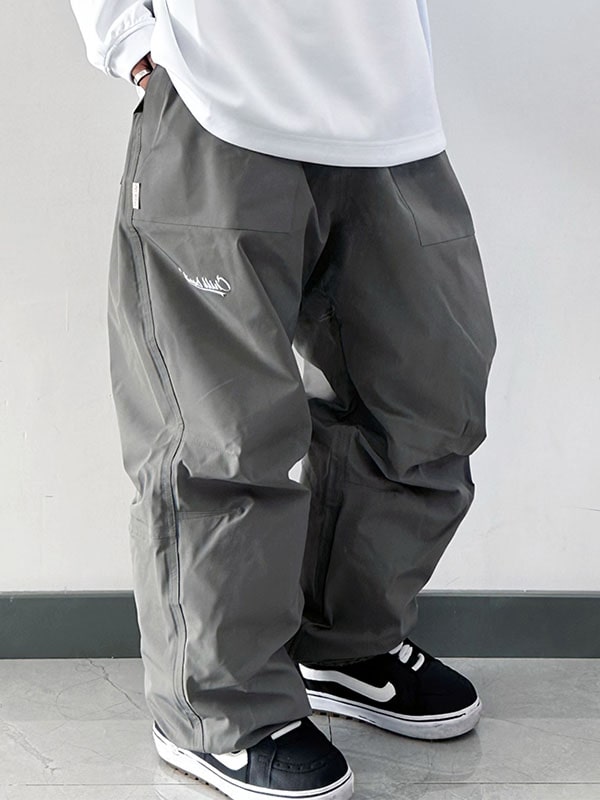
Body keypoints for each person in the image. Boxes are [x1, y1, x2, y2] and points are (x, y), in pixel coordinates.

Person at [70, 2, 497, 798]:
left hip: (386, 106)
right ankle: (215, 711)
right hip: (221, 95)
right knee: (223, 433)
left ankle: (344, 643)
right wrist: (126, 34)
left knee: (428, 398)